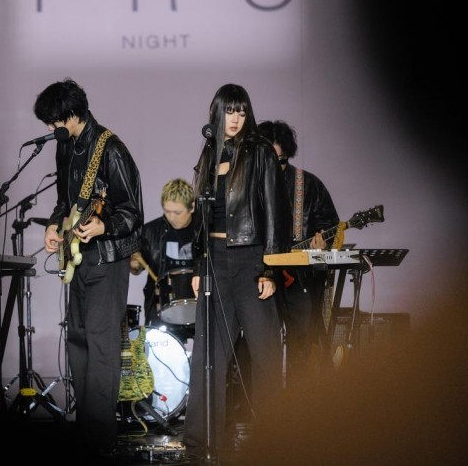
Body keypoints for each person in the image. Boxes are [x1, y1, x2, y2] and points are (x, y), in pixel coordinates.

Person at [35, 78, 144, 457]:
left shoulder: (111, 150)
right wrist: (54, 226)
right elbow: (64, 202)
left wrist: (104, 225)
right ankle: (86, 431)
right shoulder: (65, 147)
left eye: (53, 122)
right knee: (79, 343)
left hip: (107, 260)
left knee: (101, 346)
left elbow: (132, 211)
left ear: (71, 114)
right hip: (78, 260)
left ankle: (99, 439)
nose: (51, 129)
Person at [183, 83, 292, 454]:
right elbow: (201, 217)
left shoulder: (260, 151)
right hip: (214, 259)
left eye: (241, 112)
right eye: (230, 111)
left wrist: (269, 268)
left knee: (265, 353)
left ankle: (274, 442)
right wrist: (199, 264)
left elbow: (276, 212)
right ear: (217, 112)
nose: (235, 119)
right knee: (207, 357)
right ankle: (200, 442)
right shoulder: (209, 152)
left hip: (251, 258)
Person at [257, 120, 340, 387]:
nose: (274, 167)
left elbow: (330, 225)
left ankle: (299, 401)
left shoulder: (309, 185)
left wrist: (322, 241)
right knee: (258, 340)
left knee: (303, 338)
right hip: (258, 273)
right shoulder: (249, 186)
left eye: (280, 161)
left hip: (299, 276)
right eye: (267, 160)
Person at [130, 178, 197, 344]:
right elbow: (136, 269)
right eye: (167, 211)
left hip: (198, 300)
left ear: (192, 207)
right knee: (159, 350)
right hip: (161, 304)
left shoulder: (202, 230)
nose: (172, 217)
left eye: (177, 212)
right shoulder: (150, 231)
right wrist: (134, 264)